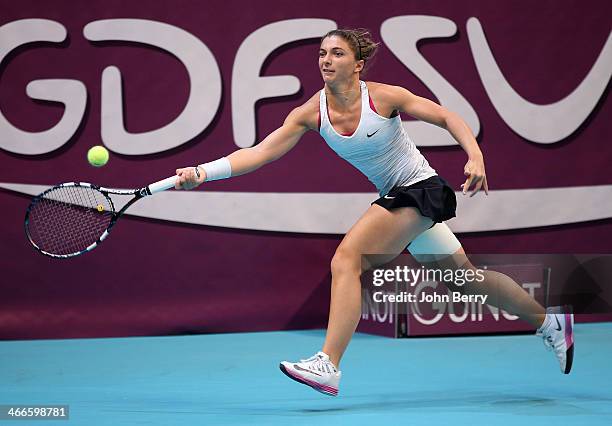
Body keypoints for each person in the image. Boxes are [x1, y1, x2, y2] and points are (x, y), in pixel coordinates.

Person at [174, 29, 574, 397]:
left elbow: (447, 117)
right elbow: (259, 153)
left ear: (357, 64)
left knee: (346, 260)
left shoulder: (383, 97)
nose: (325, 60)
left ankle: (328, 365)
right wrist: (203, 172)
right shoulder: (311, 113)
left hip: (421, 190)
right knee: (464, 280)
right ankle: (549, 320)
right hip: (398, 197)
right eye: (321, 53)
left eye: (337, 53)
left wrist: (476, 156)